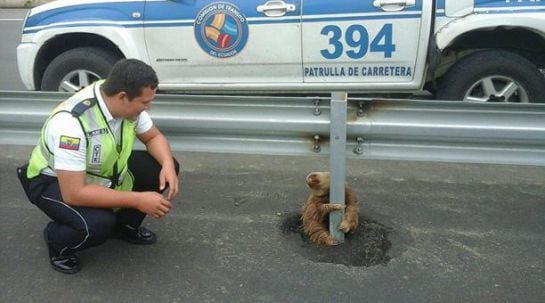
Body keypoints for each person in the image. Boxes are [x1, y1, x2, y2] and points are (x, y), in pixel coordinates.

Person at [16, 59, 180, 274]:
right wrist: (139, 200)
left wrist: (167, 164)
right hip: (51, 181)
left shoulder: (120, 97)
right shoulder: (71, 125)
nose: (148, 107)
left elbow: (153, 137)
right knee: (97, 224)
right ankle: (58, 242)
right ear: (122, 97)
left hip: (98, 173)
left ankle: (124, 226)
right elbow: (74, 193)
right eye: (145, 103)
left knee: (160, 168)